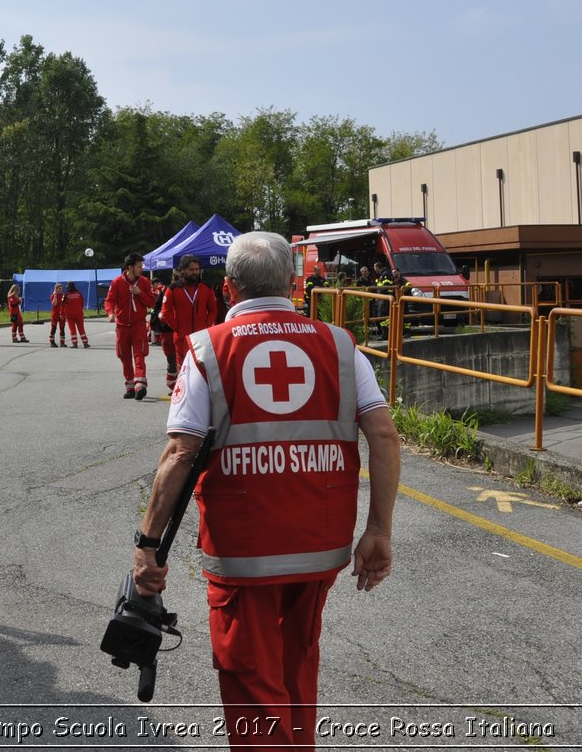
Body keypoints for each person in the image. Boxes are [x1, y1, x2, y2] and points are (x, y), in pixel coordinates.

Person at [130, 231, 400, 748]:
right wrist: (379, 530)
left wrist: (147, 546)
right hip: (320, 543)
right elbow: (384, 434)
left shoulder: (209, 349)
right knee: (298, 667)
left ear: (229, 288)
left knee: (250, 677)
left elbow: (181, 454)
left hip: (245, 549)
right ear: (294, 283)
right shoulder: (342, 346)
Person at [158, 254, 218, 395]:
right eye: (192, 269)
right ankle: (185, 395)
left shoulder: (206, 288)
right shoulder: (172, 289)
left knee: (201, 366)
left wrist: (206, 326)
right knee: (183, 367)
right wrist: (177, 327)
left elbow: (213, 310)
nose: (195, 272)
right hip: (181, 337)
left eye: (197, 269)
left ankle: (201, 394)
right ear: (183, 270)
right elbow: (165, 312)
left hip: (201, 337)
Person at [104, 252, 153, 400]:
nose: (141, 269)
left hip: (138, 325)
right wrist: (110, 313)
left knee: (139, 355)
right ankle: (130, 386)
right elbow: (109, 300)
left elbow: (151, 303)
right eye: (139, 266)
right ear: (130, 267)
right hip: (122, 326)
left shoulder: (144, 282)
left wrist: (139, 293)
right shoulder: (117, 282)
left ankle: (140, 385)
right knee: (124, 356)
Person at [63, 281, 89, 349]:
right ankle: (85, 342)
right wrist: (79, 309)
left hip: (70, 315)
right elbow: (82, 302)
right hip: (79, 314)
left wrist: (63, 313)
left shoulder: (67, 295)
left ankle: (75, 344)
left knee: (72, 330)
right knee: (81, 329)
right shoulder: (78, 293)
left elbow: (63, 305)